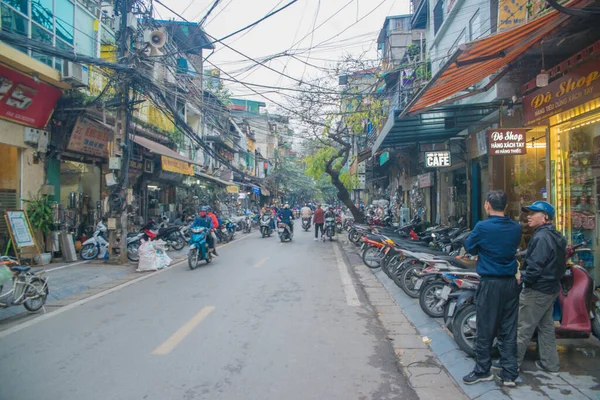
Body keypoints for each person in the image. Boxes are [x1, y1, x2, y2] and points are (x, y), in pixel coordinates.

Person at [462, 190, 522, 387]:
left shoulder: (483, 227)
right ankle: (509, 374)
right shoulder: (515, 228)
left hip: (490, 283)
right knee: (508, 328)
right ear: (506, 206)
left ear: (487, 205)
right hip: (511, 284)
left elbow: (470, 247)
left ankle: (483, 370)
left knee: (485, 328)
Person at [516, 201, 566, 374]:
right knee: (546, 328)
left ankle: (511, 366)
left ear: (545, 217)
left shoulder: (542, 237)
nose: (528, 217)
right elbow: (539, 255)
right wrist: (520, 254)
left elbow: (535, 266)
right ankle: (550, 364)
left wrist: (522, 279)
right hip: (550, 289)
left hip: (537, 290)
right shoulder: (554, 235)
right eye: (528, 213)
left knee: (523, 328)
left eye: (533, 213)